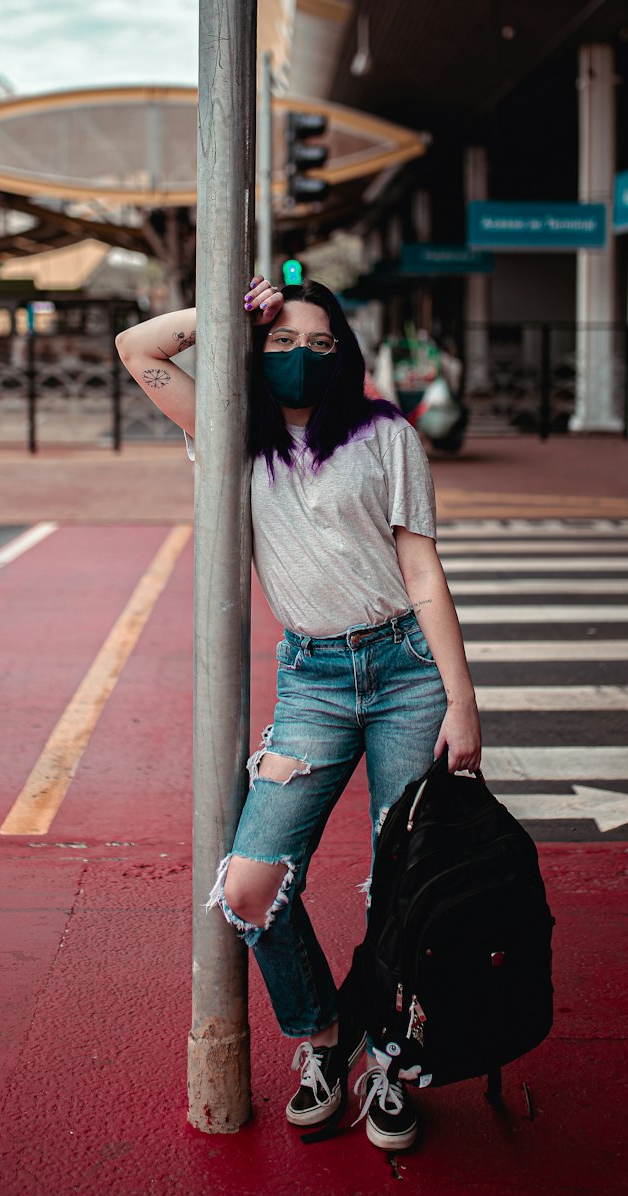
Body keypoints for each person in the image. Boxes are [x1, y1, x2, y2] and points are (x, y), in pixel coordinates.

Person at [116, 275, 481, 1150]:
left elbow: (422, 571)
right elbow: (139, 348)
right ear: (254, 351)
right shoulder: (231, 435)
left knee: (407, 888)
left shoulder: (386, 433)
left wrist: (463, 702)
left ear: (343, 353)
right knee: (249, 885)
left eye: (319, 345)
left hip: (405, 672)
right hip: (312, 680)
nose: (301, 359)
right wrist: (233, 315)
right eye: (282, 346)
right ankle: (323, 1038)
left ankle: (394, 1061)